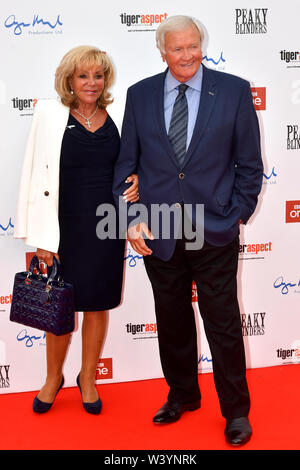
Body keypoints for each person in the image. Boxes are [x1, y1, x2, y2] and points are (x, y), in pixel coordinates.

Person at [113, 15, 263, 445]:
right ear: (162, 52)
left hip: (213, 230)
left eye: (193, 45)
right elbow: (127, 165)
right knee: (172, 319)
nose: (187, 56)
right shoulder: (140, 95)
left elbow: (250, 166)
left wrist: (236, 212)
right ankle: (182, 395)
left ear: (202, 44)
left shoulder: (233, 90)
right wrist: (130, 218)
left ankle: (236, 411)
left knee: (223, 324)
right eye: (177, 49)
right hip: (159, 230)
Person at [14, 45, 139, 415]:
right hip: (63, 227)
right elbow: (34, 175)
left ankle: (88, 378)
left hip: (107, 225)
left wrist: (137, 180)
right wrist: (39, 238)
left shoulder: (117, 112)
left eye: (98, 76)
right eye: (83, 75)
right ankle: (53, 378)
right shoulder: (49, 114)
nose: (91, 83)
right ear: (69, 79)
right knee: (59, 305)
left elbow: (133, 161)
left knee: (98, 304)